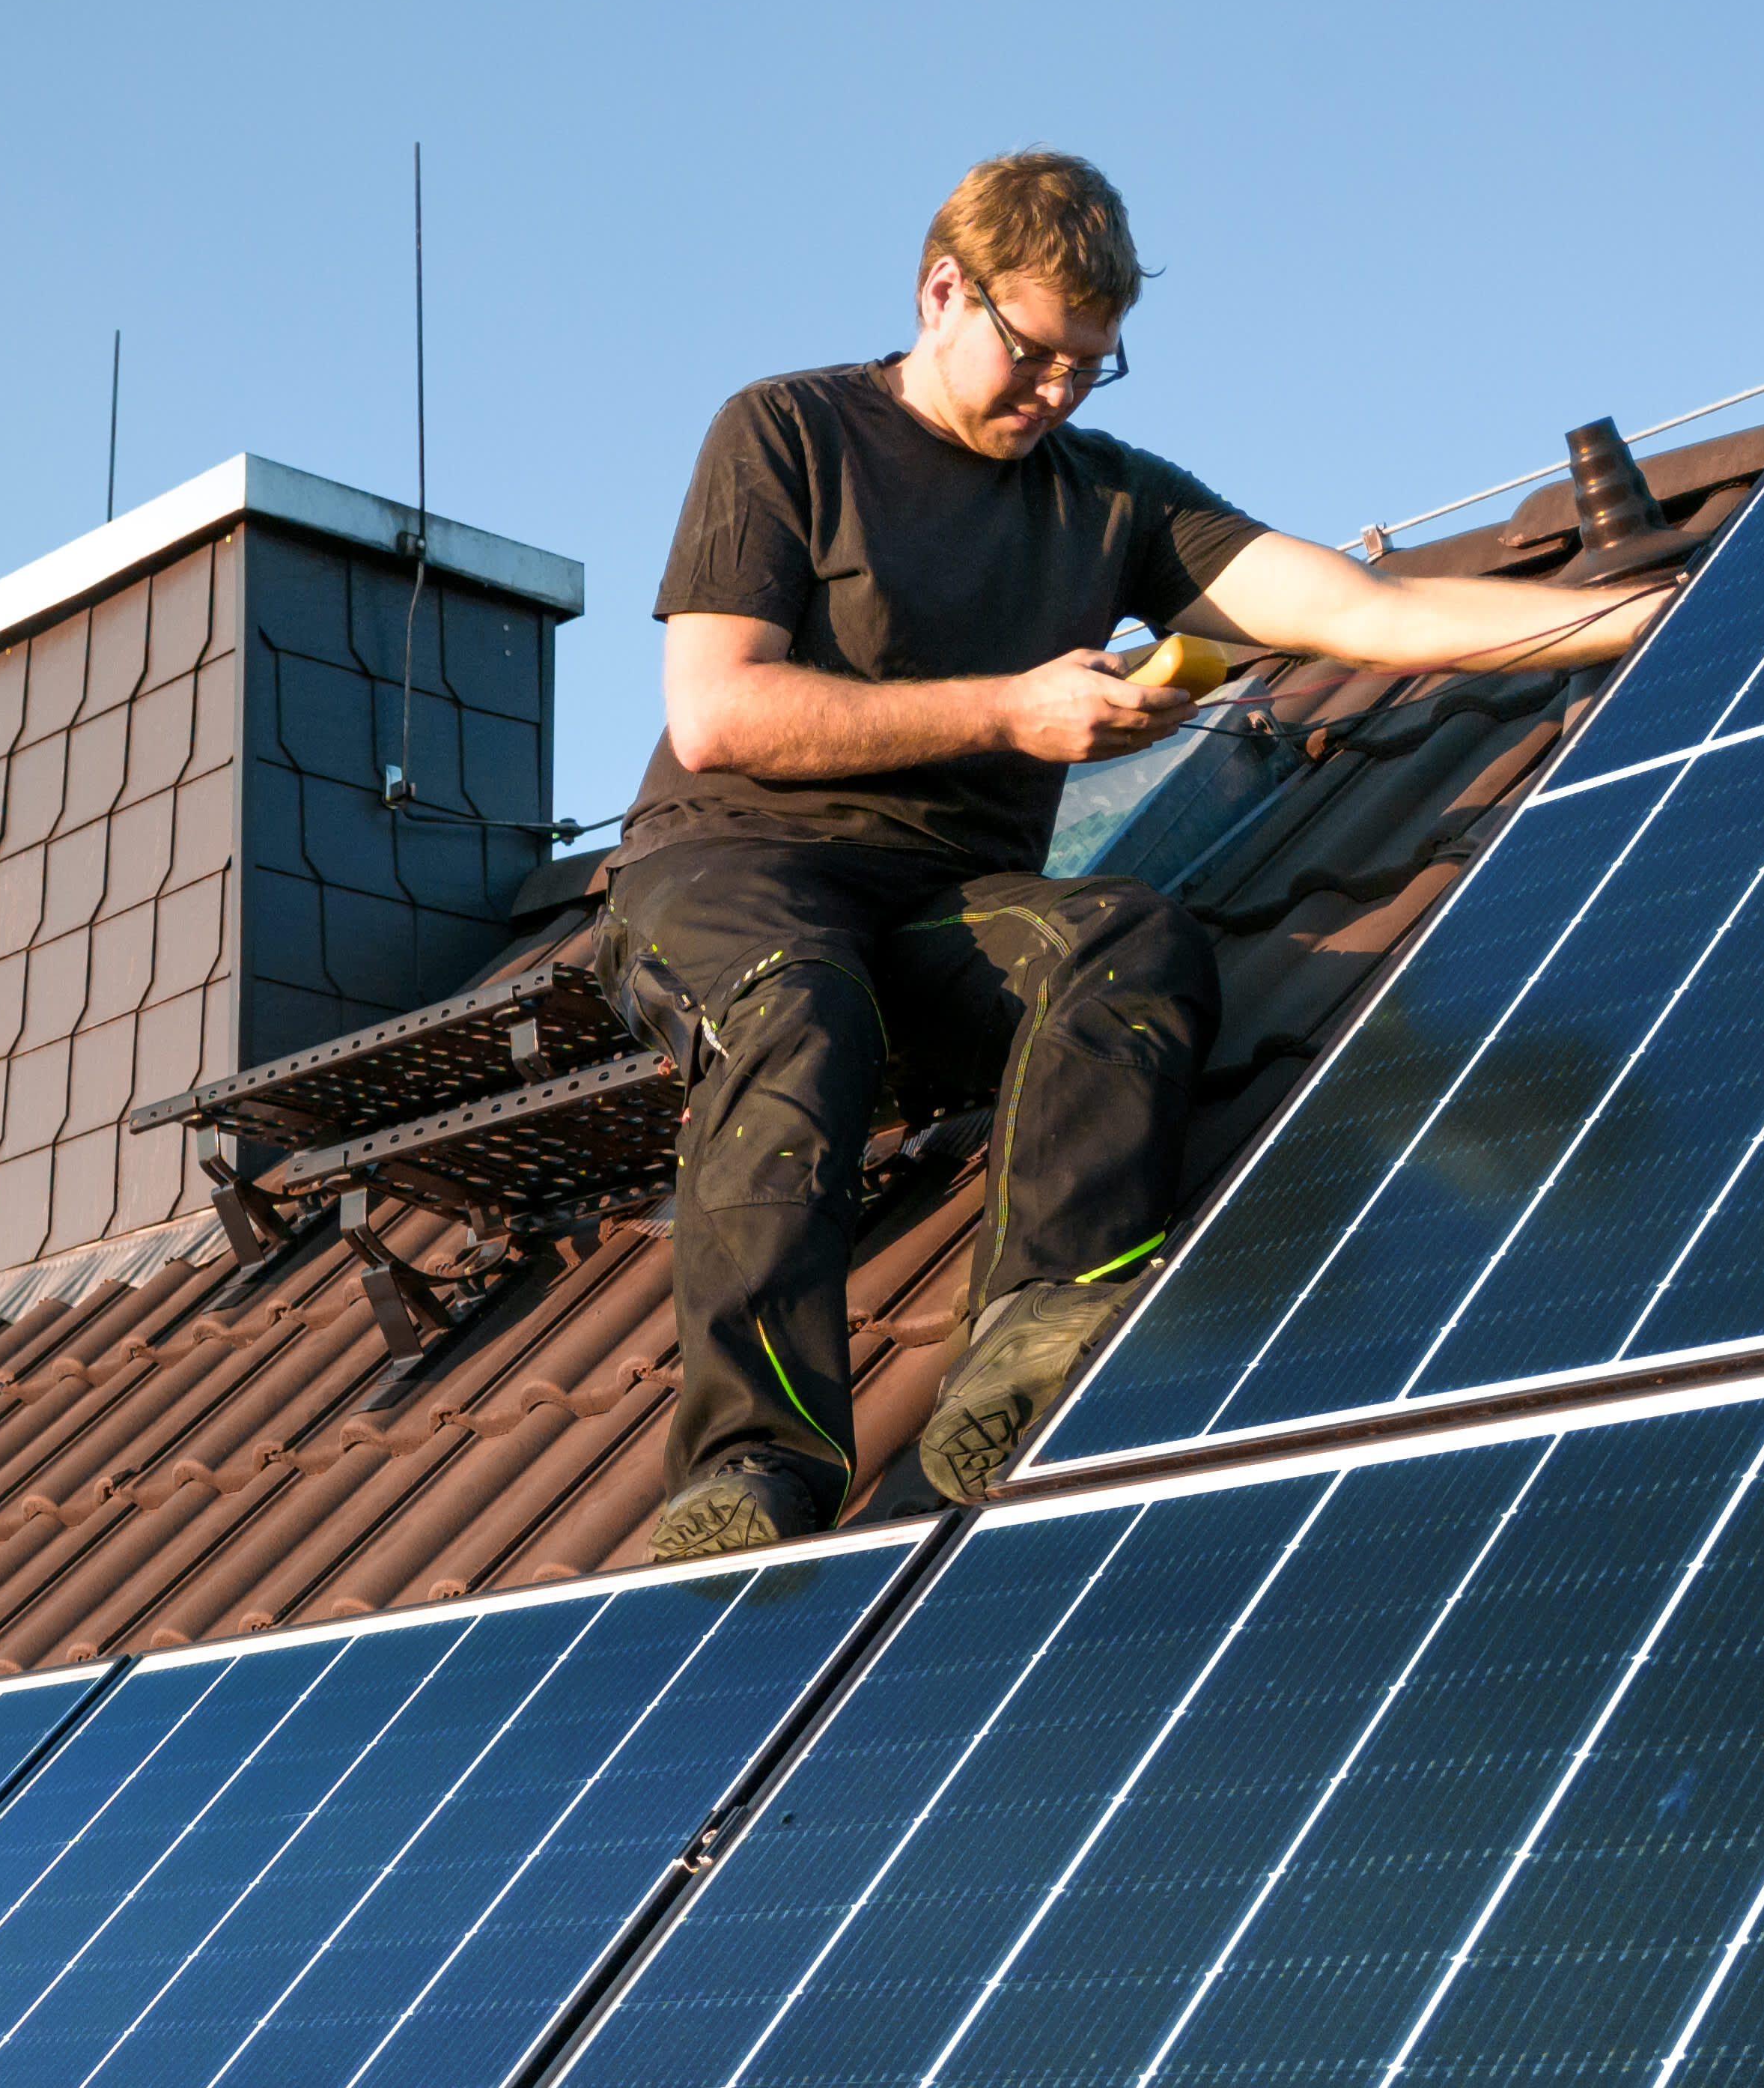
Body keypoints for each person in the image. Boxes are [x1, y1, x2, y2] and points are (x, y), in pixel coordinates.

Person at [618, 150, 1677, 1556]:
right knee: (799, 1002)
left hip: (939, 906)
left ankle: (1026, 1346)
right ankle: (750, 1471)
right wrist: (1012, 706)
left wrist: (1635, 619)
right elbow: (716, 712)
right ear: (944, 291)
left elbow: (1342, 605)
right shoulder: (786, 432)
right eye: (1036, 354)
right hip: (733, 866)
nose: (1057, 393)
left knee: (1128, 938)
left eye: (1089, 368)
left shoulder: (1107, 498)